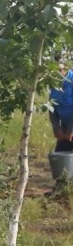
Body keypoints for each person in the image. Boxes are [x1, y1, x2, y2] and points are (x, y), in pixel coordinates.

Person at [47, 62, 73, 195]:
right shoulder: (52, 83)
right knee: (62, 152)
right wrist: (56, 128)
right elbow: (51, 108)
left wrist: (70, 131)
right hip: (64, 126)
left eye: (58, 70)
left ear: (65, 68)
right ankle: (61, 188)